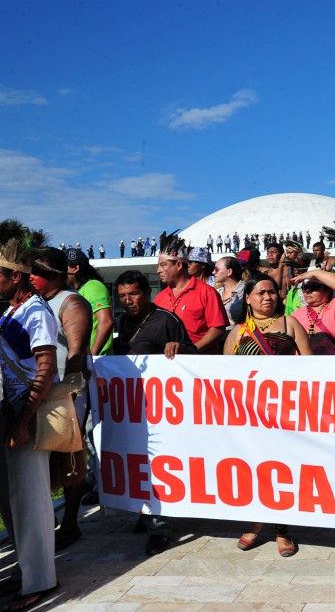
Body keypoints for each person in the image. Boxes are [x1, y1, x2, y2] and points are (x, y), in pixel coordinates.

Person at [225, 273, 310, 557]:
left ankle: (280, 530)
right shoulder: (237, 332)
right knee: (255, 470)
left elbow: (313, 369)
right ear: (247, 298)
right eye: (260, 292)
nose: (267, 297)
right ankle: (258, 520)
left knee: (282, 470)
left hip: (285, 411)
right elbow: (224, 378)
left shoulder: (290, 324)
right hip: (250, 415)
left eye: (272, 292)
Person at [112, 270, 196, 554]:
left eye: (133, 294)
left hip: (161, 411)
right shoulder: (122, 321)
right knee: (136, 460)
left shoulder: (167, 320)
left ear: (146, 293)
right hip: (131, 407)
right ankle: (144, 511)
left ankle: (159, 527)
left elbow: (195, 357)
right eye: (122, 296)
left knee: (157, 464)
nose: (128, 301)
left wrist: (180, 348)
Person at [0, 224, 60, 610]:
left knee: (31, 499)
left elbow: (46, 368)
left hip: (28, 416)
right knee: (11, 500)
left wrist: (23, 419)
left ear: (14, 276)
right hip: (9, 416)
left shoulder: (36, 311)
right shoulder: (10, 310)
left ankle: (41, 581)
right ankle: (26, 570)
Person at [29, 248, 94, 553]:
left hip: (65, 391)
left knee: (69, 457)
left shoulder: (72, 302)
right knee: (47, 457)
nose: (31, 277)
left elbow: (77, 350)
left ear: (53, 275)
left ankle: (70, 522)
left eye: (36, 273)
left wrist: (68, 391)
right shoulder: (38, 302)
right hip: (43, 390)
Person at [153, 232, 228, 354]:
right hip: (168, 366)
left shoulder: (207, 292)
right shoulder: (159, 298)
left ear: (178, 265)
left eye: (163, 265)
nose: (158, 271)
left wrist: (191, 350)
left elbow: (218, 328)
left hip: (201, 365)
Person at [289, 268, 335, 355]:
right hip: (304, 366)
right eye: (305, 288)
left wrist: (314, 273)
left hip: (334, 366)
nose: (307, 291)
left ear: (327, 290)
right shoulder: (295, 315)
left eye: (313, 287)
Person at [65, 248, 113, 357]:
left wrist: (92, 355)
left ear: (75, 268)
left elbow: (106, 322)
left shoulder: (93, 286)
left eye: (63, 267)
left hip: (99, 362)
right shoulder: (76, 291)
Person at [214, 256, 245, 326]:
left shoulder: (245, 290)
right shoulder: (217, 292)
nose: (213, 272)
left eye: (216, 269)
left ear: (229, 272)